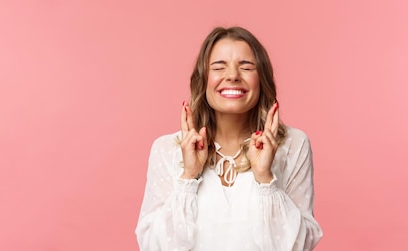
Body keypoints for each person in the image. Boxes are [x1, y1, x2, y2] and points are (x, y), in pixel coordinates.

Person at [135, 27, 323, 251]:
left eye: (246, 67)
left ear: (261, 79)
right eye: (218, 67)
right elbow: (152, 246)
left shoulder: (293, 145)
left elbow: (300, 247)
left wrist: (265, 178)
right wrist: (188, 176)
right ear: (203, 79)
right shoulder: (166, 149)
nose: (233, 75)